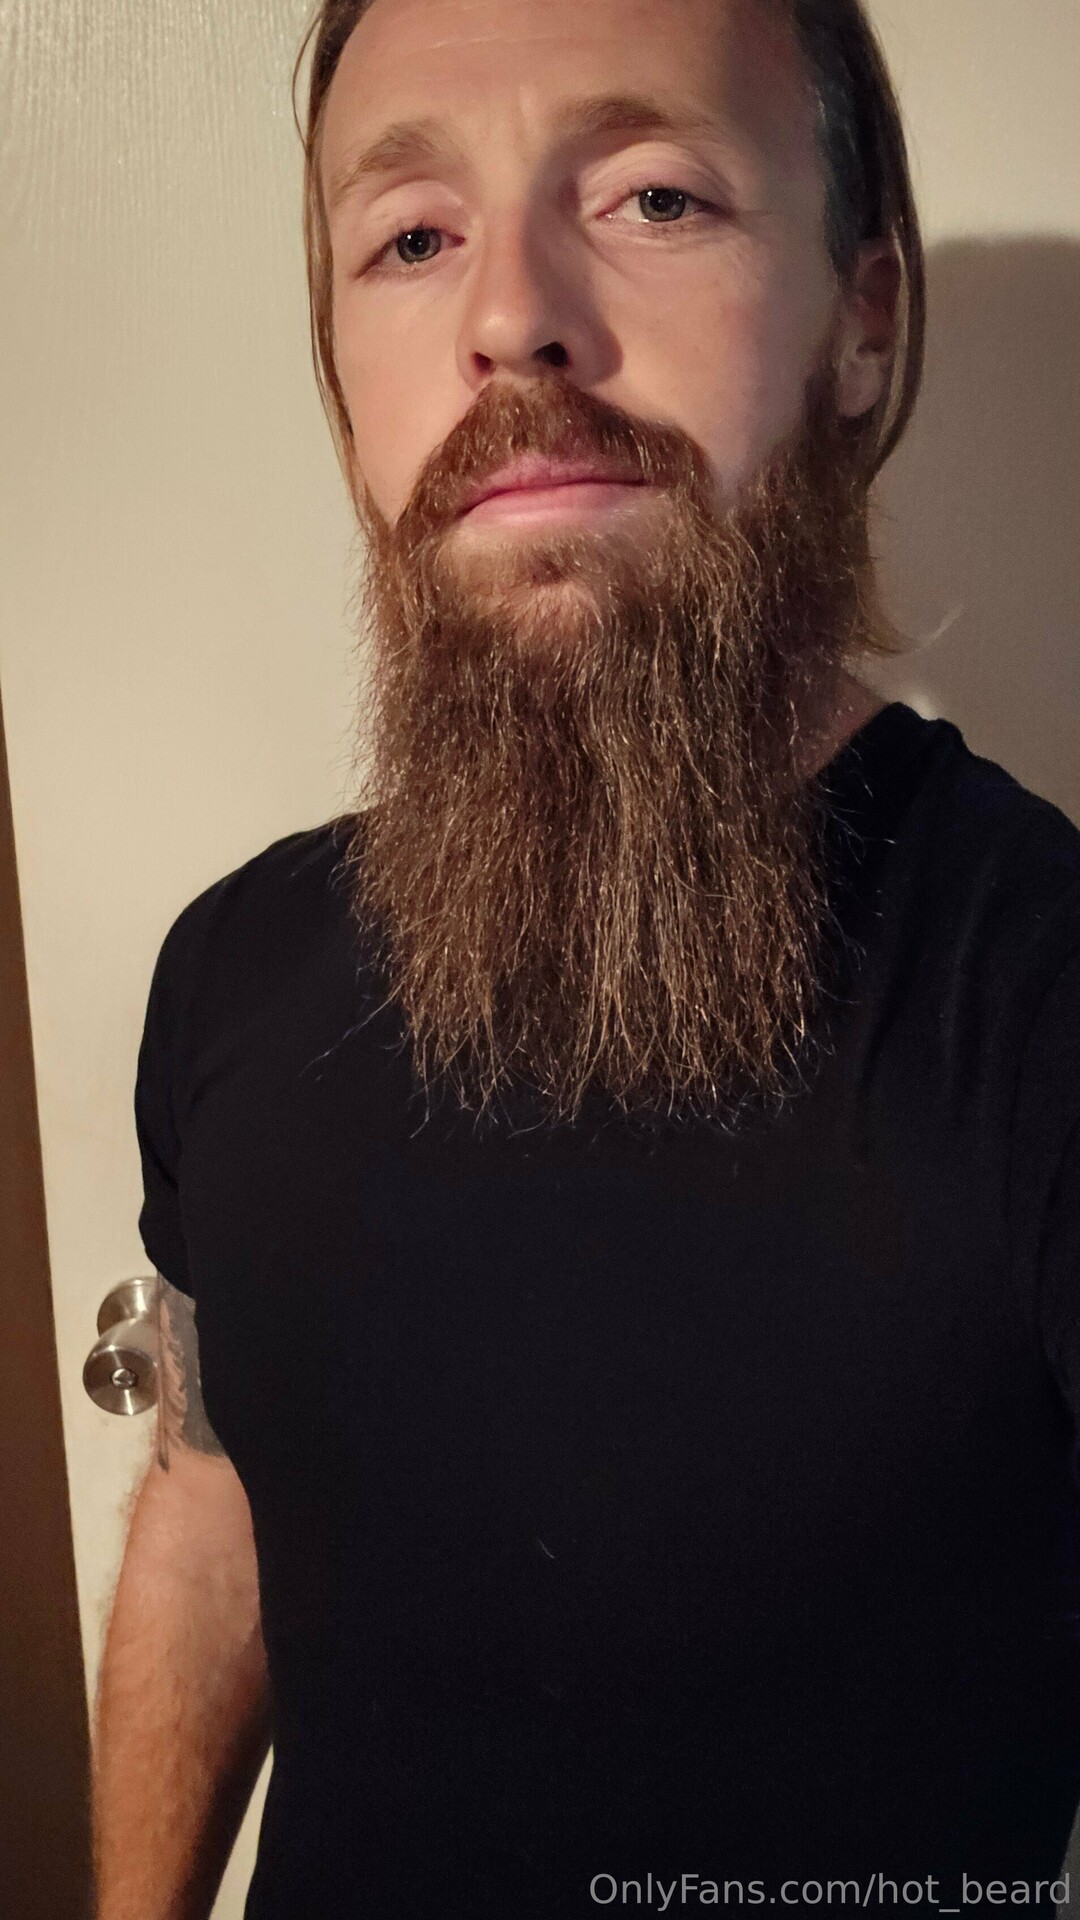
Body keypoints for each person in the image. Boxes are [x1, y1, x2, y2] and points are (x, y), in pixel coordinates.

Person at [91, 0, 1080, 1914]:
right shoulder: (229, 966)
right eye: (412, 236)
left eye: (652, 196)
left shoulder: (1039, 998)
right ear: (347, 388)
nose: (510, 317)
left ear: (862, 321)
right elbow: (217, 1498)